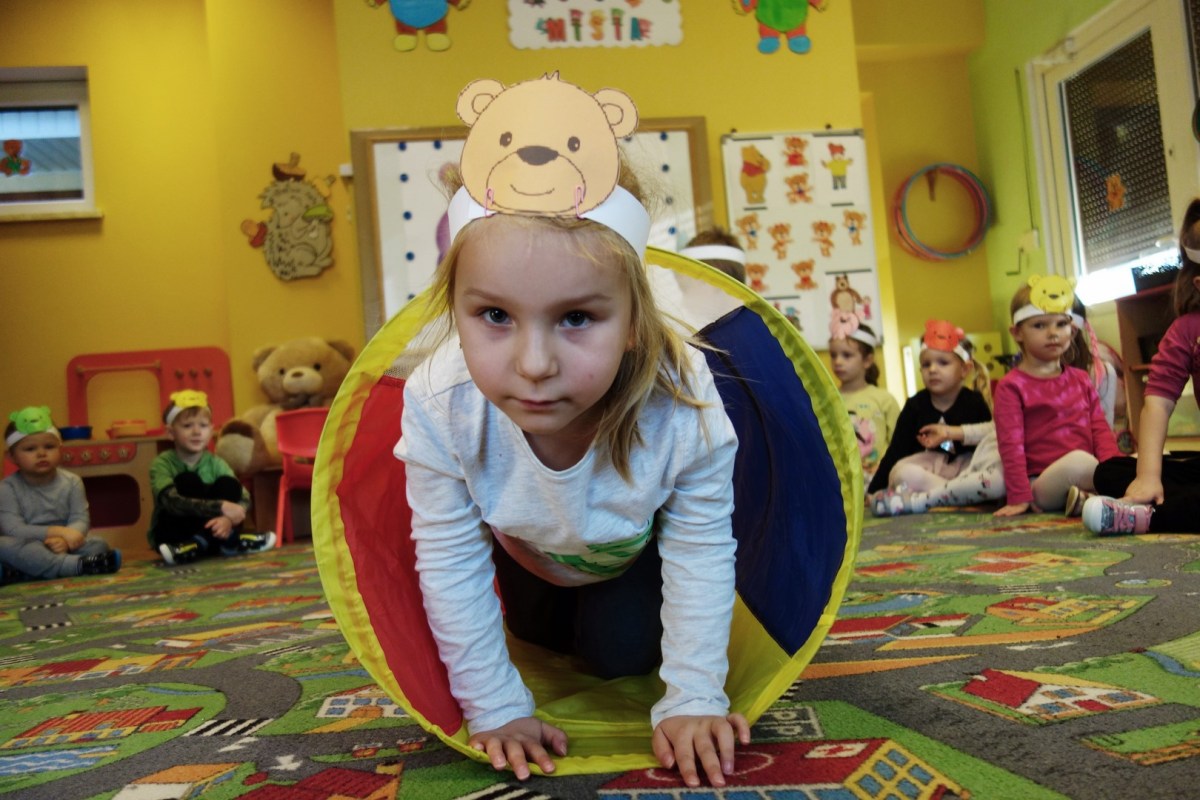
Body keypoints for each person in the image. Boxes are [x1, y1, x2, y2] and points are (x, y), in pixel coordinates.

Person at [394, 75, 747, 789]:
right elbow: (449, 556)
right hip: (523, 559)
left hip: (626, 557)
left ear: (635, 321)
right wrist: (494, 707)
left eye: (577, 318)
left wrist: (694, 697)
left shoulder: (682, 402)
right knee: (534, 634)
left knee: (618, 654)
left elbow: (702, 546)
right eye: (495, 316)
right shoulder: (440, 400)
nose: (534, 364)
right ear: (455, 308)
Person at [1082, 199, 1200, 534]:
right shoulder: (1187, 331)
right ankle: (1145, 499)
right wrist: (1148, 476)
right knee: (1111, 471)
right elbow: (1158, 403)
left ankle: (1146, 516)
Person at [993, 278, 1121, 516]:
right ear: (1017, 333)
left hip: (1086, 473)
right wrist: (1019, 497)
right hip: (1043, 483)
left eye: (1061, 324)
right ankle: (1111, 491)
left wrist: (1115, 467)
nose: (1053, 333)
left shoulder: (1081, 379)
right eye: (1039, 325)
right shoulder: (1011, 386)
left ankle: (1091, 498)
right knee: (1079, 461)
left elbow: (1100, 429)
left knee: (1152, 460)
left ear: (1072, 330)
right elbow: (1010, 445)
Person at [867, 321, 1001, 515]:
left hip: (966, 471)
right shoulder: (915, 406)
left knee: (993, 475)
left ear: (965, 369)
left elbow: (986, 446)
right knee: (902, 473)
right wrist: (873, 491)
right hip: (928, 472)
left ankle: (949, 495)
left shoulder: (975, 403)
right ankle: (955, 497)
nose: (932, 369)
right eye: (926, 364)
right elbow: (896, 451)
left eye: (943, 363)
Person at [149, 390, 274, 564]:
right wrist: (220, 507)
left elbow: (244, 497)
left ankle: (201, 543)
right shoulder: (162, 463)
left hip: (218, 528)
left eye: (203, 425)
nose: (196, 432)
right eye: (187, 426)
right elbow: (171, 502)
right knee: (187, 481)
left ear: (211, 430)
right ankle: (232, 541)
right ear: (170, 433)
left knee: (229, 484)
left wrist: (227, 519)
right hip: (174, 534)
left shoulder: (216, 463)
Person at [0, 406, 121, 580]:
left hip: (65, 545)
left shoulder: (72, 481)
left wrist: (66, 541)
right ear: (11, 456)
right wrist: (57, 532)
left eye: (49, 446)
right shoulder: (7, 488)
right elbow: (14, 530)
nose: (41, 453)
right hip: (29, 544)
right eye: (30, 449)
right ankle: (76, 566)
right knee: (3, 545)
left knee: (99, 544)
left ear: (60, 448)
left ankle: (25, 573)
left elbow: (80, 519)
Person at [829, 316, 899, 490]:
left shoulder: (884, 399)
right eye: (833, 355)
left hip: (878, 477)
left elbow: (898, 443)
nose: (838, 362)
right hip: (839, 480)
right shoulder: (827, 400)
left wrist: (884, 468)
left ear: (867, 360)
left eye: (847, 355)